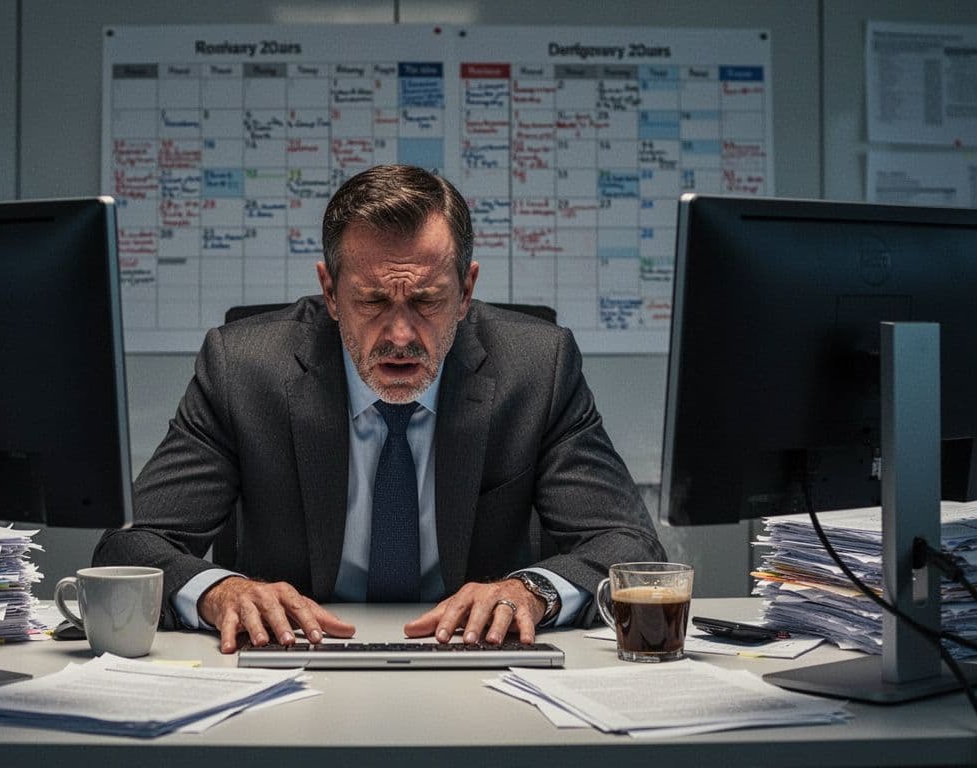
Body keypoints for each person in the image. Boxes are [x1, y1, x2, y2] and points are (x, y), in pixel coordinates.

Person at [93, 164, 665, 654]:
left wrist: (532, 591)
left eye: (426, 300)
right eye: (370, 300)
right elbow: (130, 545)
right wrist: (219, 592)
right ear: (331, 292)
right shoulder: (243, 369)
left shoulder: (537, 368)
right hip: (292, 662)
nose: (399, 334)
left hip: (481, 667)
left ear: (466, 292)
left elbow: (631, 547)